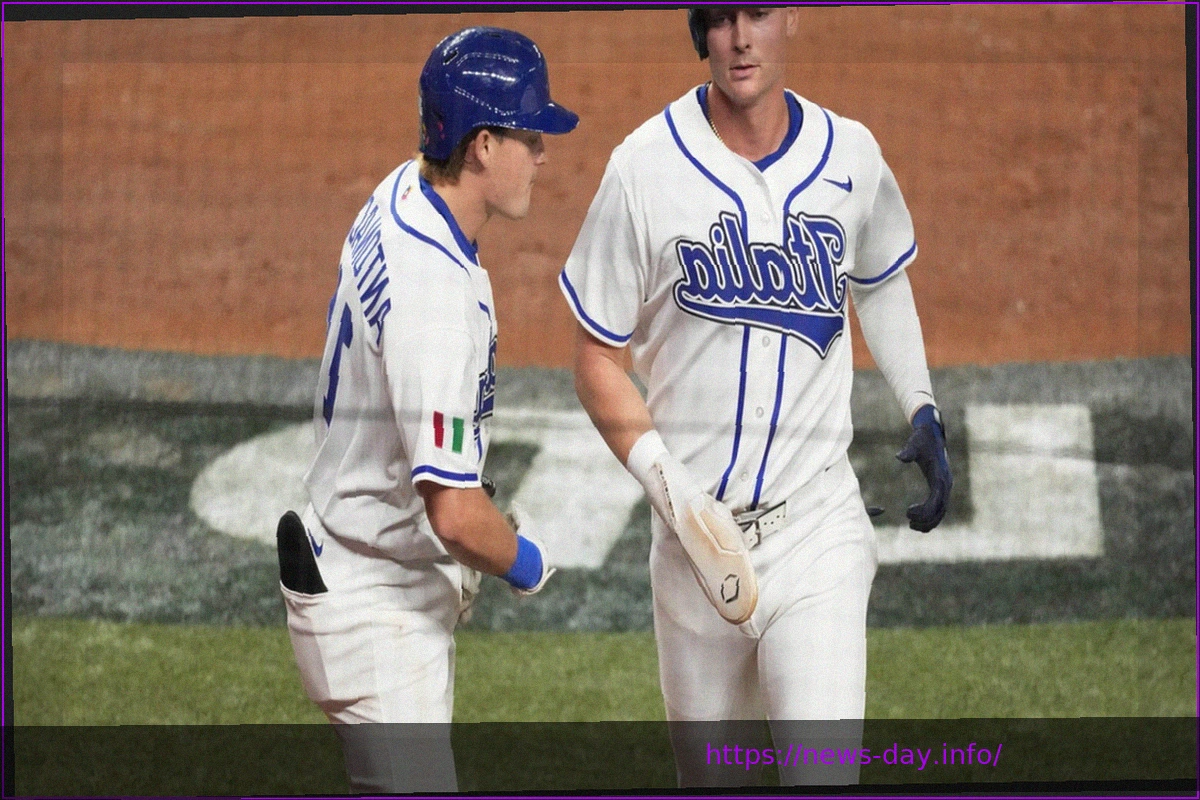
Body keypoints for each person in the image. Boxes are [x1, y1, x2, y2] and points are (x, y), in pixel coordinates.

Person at [559, 7, 951, 786]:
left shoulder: (851, 154)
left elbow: (879, 282)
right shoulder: (643, 168)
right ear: (699, 30)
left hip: (817, 535)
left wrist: (921, 403)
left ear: (792, 17)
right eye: (721, 18)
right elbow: (596, 358)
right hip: (690, 558)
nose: (741, 38)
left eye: (759, 14)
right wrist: (673, 493)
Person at [276, 26, 577, 793]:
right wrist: (526, 561)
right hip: (376, 612)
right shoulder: (433, 299)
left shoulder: (402, 188)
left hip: (353, 557)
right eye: (528, 133)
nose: (542, 152)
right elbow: (454, 516)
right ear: (481, 145)